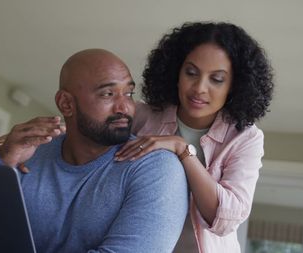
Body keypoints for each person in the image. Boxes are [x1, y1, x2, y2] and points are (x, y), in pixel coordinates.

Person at [0, 49, 188, 253]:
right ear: (66, 104)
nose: (124, 107)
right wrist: (2, 164)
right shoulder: (27, 153)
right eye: (108, 94)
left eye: (128, 94)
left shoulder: (157, 167)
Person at [114, 22, 274, 253]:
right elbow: (88, 137)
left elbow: (225, 218)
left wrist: (183, 150)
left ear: (234, 86)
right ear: (176, 72)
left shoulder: (245, 138)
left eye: (216, 79)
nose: (199, 88)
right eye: (191, 73)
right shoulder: (141, 116)